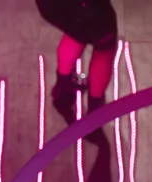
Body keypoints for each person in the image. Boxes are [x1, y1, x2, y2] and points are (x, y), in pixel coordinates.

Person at [35, 0, 117, 130]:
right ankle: (95, 111)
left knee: (76, 29)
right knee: (105, 46)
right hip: (87, 10)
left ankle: (62, 90)